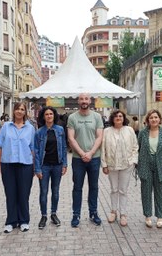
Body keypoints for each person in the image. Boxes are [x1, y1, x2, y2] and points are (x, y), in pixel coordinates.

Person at [0, 102, 35, 233]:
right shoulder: (6, 127)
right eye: (17, 109)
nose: (19, 111)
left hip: (26, 165)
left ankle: (24, 220)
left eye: (22, 109)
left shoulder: (30, 128)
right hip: (8, 165)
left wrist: (35, 166)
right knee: (10, 194)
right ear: (13, 111)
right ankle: (11, 221)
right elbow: (0, 146)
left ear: (25, 112)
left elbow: (33, 148)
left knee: (24, 194)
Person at [67, 93, 104, 227]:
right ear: (78, 101)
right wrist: (83, 153)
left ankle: (93, 212)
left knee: (93, 187)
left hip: (94, 158)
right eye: (82, 99)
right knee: (77, 187)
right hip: (78, 159)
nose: (84, 101)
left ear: (90, 101)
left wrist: (91, 153)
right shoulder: (72, 117)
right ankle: (76, 214)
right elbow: (71, 138)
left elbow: (100, 137)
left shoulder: (97, 117)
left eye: (86, 99)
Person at [137, 109, 162, 228]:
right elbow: (138, 148)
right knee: (146, 191)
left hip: (161, 165)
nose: (153, 119)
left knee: (160, 192)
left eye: (156, 117)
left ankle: (160, 217)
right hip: (145, 164)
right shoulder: (143, 133)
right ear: (148, 120)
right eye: (151, 118)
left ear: (159, 119)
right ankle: (148, 216)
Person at [101, 110, 138, 227]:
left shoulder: (130, 130)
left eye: (120, 116)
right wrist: (104, 165)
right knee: (114, 189)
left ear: (124, 118)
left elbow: (135, 146)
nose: (118, 118)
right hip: (112, 164)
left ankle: (123, 214)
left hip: (126, 165)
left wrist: (133, 161)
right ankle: (113, 211)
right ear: (112, 118)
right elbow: (102, 149)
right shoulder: (106, 131)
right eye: (116, 116)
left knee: (123, 190)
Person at [34, 106, 68, 230]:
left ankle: (54, 214)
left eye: (51, 114)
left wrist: (65, 164)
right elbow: (36, 151)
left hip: (57, 165)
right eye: (46, 114)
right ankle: (43, 215)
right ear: (43, 116)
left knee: (56, 191)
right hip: (45, 166)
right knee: (43, 192)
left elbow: (64, 147)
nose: (49, 116)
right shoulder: (39, 132)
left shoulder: (60, 130)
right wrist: (37, 169)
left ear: (54, 116)